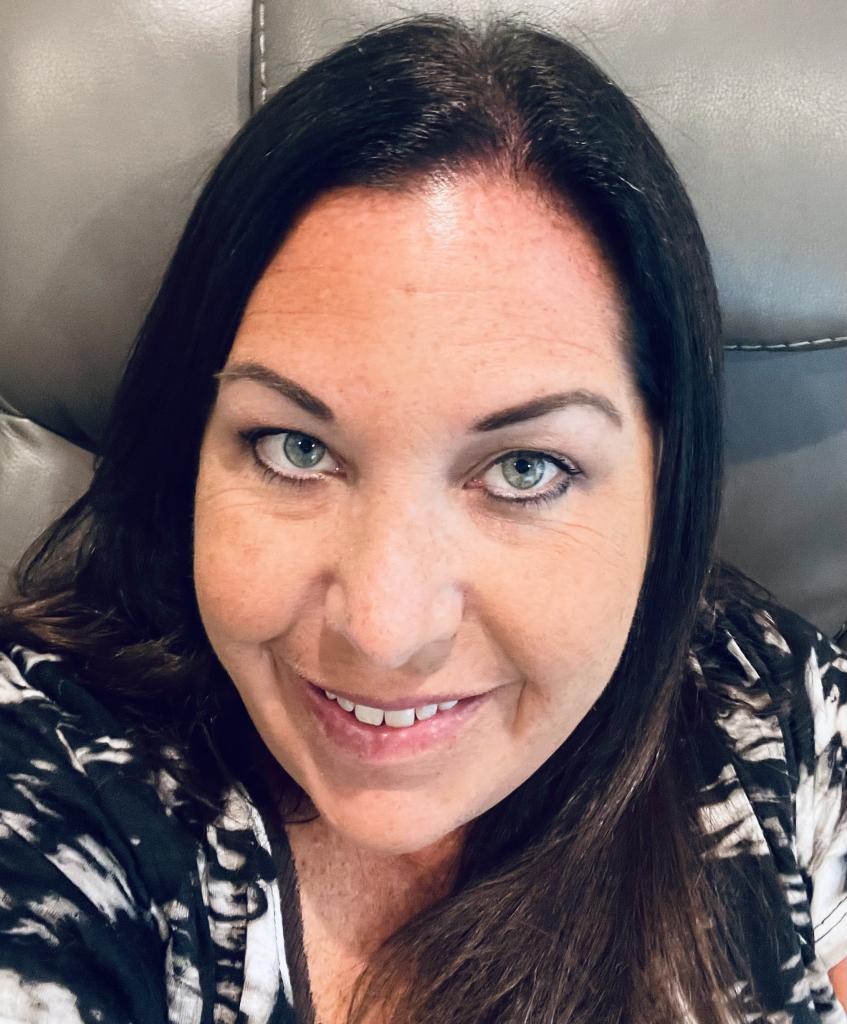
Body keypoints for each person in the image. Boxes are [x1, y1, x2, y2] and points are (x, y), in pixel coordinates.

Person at [0, 11, 844, 1024]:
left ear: (663, 478)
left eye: (525, 469)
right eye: (293, 448)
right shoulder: (50, 775)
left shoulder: (764, 703)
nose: (383, 631)